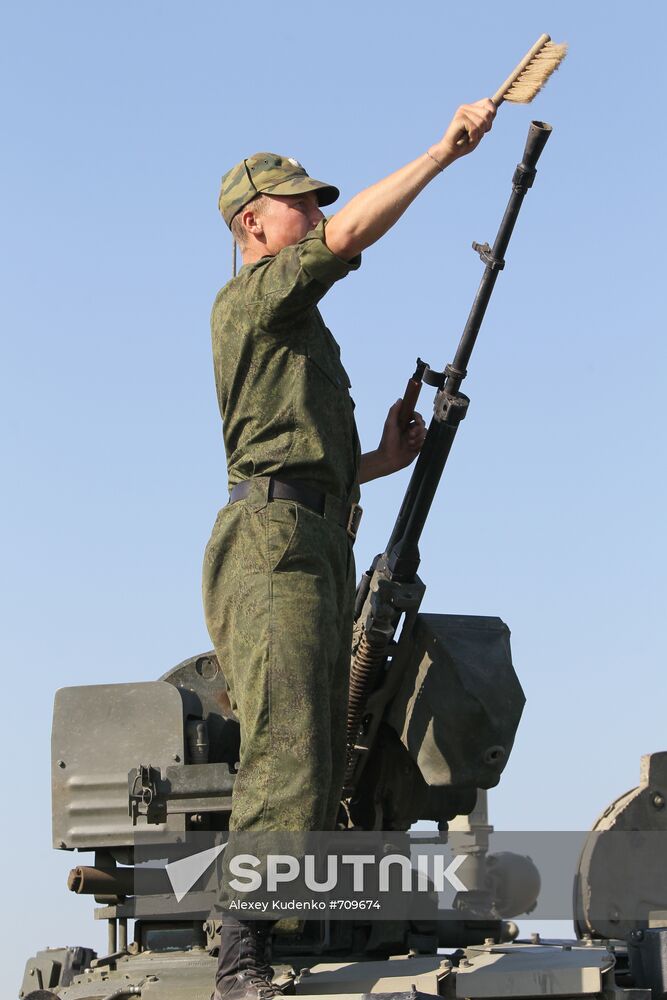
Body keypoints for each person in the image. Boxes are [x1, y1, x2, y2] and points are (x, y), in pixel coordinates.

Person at [203, 98, 496, 1000]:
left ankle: (283, 920)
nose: (318, 214)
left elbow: (299, 457)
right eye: (300, 202)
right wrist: (441, 154)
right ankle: (239, 939)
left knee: (328, 750)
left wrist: (381, 460)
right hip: (274, 545)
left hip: (319, 531)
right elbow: (349, 237)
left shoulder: (296, 329)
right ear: (254, 223)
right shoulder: (254, 296)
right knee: (290, 737)